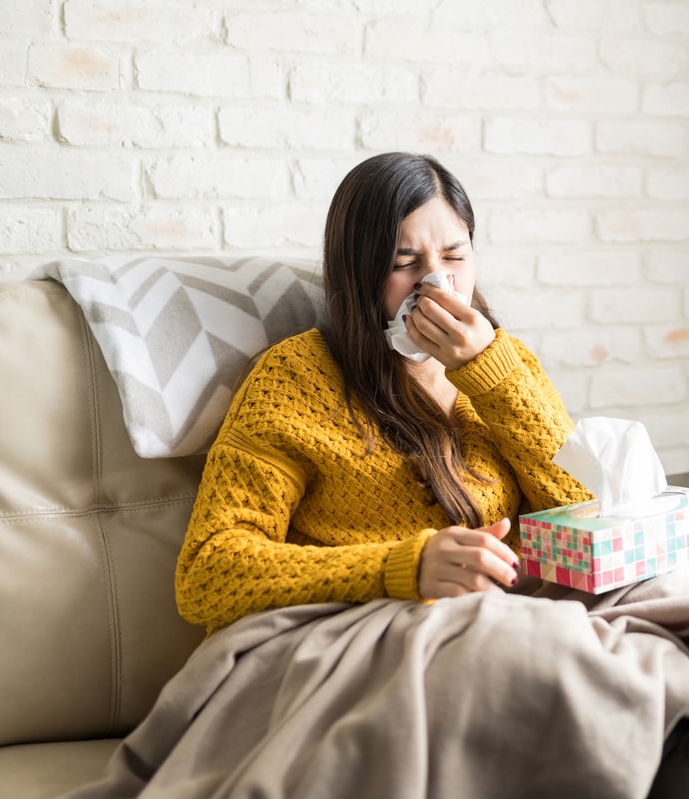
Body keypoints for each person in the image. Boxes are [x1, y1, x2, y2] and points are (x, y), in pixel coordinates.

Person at [175, 151, 593, 634]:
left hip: (512, 619)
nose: (437, 283)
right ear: (360, 273)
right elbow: (207, 573)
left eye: (455, 255)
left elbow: (586, 515)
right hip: (363, 632)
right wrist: (399, 569)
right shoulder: (294, 377)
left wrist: (490, 374)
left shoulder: (507, 363)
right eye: (404, 262)